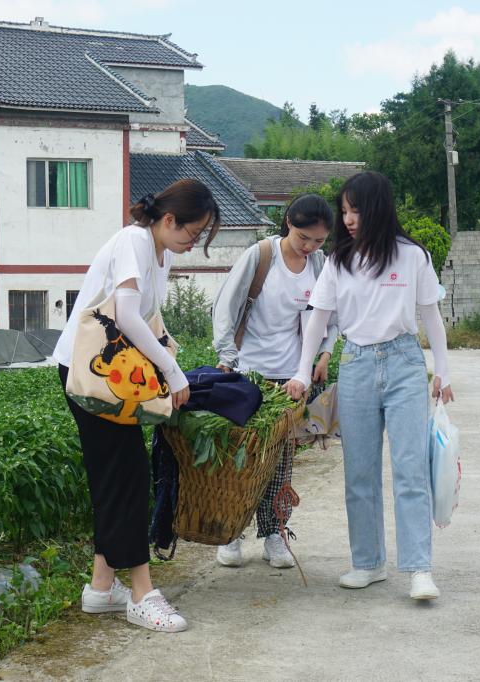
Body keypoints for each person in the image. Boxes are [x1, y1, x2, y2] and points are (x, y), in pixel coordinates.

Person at [53, 179, 221, 632]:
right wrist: (172, 370)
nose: (194, 242)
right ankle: (142, 594)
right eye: (193, 232)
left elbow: (144, 318)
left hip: (109, 377)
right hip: (91, 376)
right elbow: (125, 315)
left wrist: (167, 361)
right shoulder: (135, 240)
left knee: (118, 476)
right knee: (127, 478)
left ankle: (102, 588)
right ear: (169, 219)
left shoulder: (159, 252)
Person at [284, 171, 454, 601]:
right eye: (344, 211)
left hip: (404, 363)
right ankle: (368, 562)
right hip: (356, 363)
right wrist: (302, 372)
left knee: (410, 468)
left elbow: (431, 316)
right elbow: (317, 320)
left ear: (377, 208)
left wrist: (444, 371)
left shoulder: (412, 256)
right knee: (359, 472)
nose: (348, 219)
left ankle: (419, 568)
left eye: (355, 210)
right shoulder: (339, 260)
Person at [211, 194, 338, 569]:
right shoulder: (261, 256)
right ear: (288, 224)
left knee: (280, 463)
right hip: (248, 372)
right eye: (303, 237)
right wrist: (226, 357)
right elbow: (225, 306)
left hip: (292, 378)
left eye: (318, 240)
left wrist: (324, 354)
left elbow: (331, 316)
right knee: (242, 457)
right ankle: (231, 532)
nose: (309, 246)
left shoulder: (320, 264)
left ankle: (275, 533)